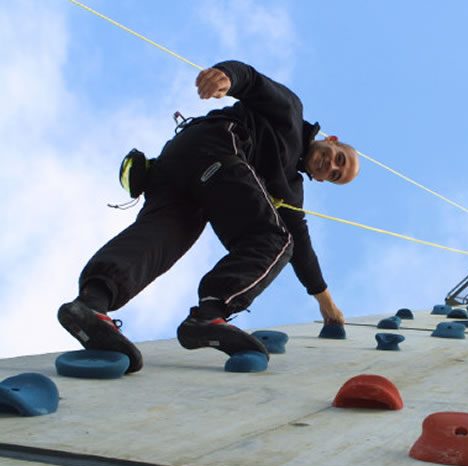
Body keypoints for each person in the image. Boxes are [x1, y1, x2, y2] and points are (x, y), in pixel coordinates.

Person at [57, 60, 359, 373]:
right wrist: (226, 77)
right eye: (338, 158)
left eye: (336, 174)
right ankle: (209, 314)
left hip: (177, 174)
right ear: (331, 140)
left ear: (325, 181)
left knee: (161, 239)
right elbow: (252, 81)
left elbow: (303, 247)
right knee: (274, 239)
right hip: (216, 147)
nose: (331, 165)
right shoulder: (291, 114)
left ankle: (91, 303)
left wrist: (324, 300)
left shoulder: (292, 193)